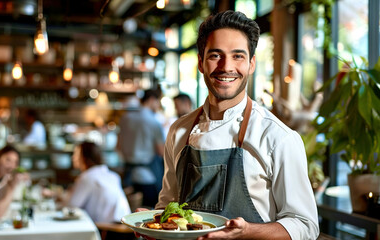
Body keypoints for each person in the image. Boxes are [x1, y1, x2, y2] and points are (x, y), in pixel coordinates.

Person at [155, 10, 319, 240]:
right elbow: (168, 204)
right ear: (201, 63)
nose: (226, 66)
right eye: (215, 55)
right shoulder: (179, 131)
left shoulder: (277, 137)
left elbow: (305, 226)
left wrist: (248, 232)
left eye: (238, 56)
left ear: (251, 64)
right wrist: (154, 221)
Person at [117, 89, 165, 208]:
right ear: (151, 100)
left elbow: (118, 146)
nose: (158, 106)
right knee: (148, 213)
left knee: (130, 212)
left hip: (128, 174)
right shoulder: (154, 121)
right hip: (148, 176)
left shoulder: (125, 118)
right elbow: (161, 151)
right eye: (158, 102)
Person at [64, 141, 131, 223]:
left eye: (76, 154)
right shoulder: (113, 175)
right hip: (125, 226)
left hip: (107, 230)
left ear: (84, 157)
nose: (73, 158)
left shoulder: (87, 177)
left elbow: (71, 206)